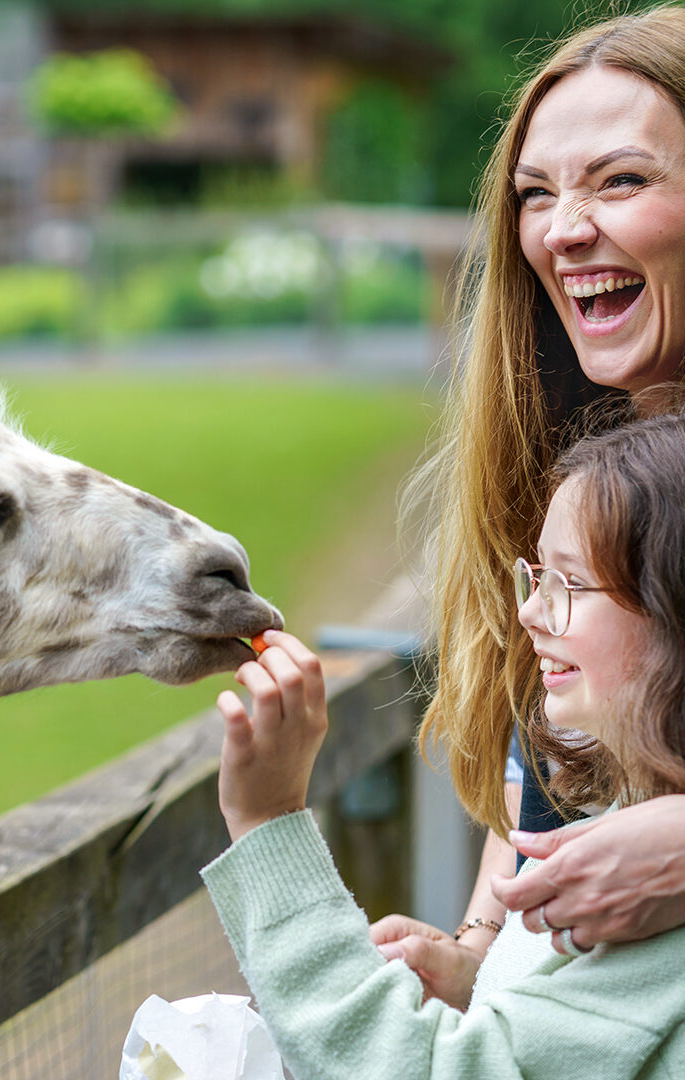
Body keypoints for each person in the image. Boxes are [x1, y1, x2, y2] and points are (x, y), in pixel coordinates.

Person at [202, 409, 685, 1078]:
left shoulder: (644, 901)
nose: (529, 612)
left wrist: (269, 824)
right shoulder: (628, 840)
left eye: (569, 584)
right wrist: (477, 987)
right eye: (536, 576)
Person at [374, 3, 685, 1008]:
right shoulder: (566, 478)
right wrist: (475, 951)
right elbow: (541, 756)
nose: (563, 229)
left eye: (621, 180)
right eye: (536, 194)